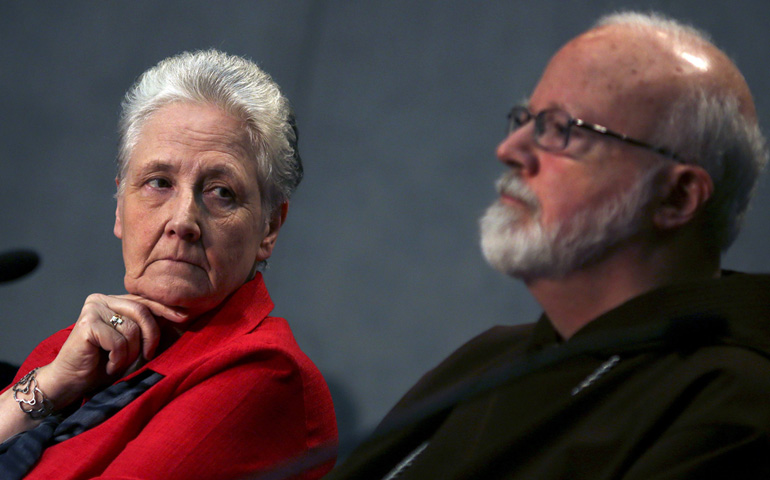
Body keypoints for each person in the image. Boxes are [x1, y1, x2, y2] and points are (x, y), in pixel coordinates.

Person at [326, 11, 770, 479]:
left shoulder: (736, 400)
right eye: (525, 119)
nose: (511, 149)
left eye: (562, 129)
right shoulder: (491, 358)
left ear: (676, 197)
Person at [0, 49, 336, 480]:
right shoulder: (77, 344)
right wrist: (49, 386)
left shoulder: (265, 375)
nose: (182, 221)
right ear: (120, 208)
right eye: (159, 183)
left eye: (221, 192)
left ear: (269, 228)